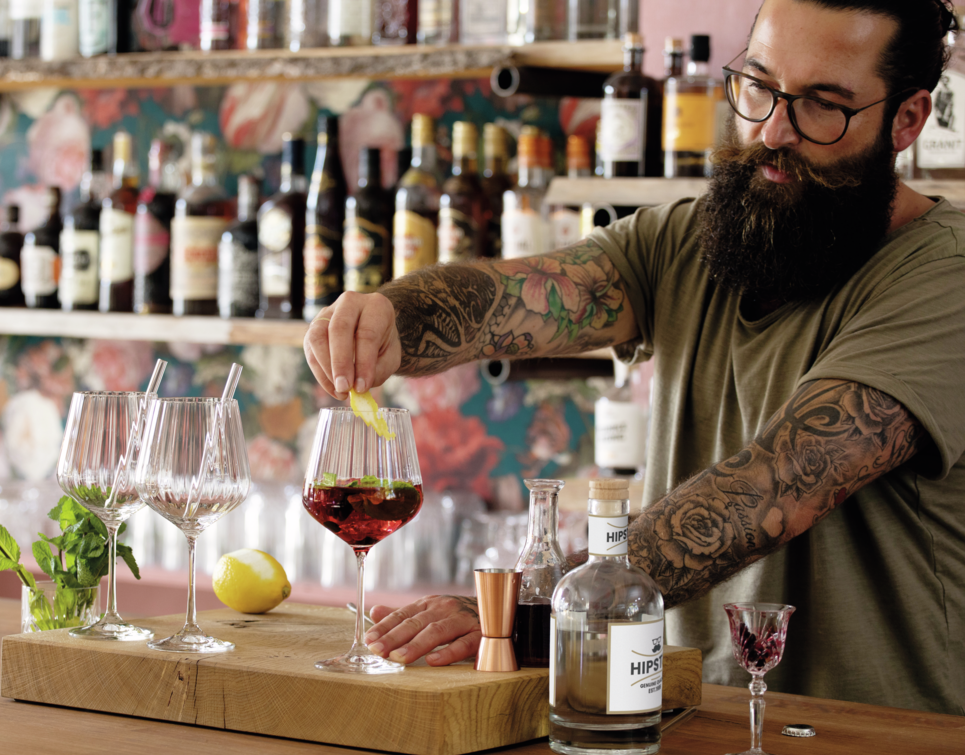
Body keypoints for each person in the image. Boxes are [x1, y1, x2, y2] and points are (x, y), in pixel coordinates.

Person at [303, 0, 965, 716]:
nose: (773, 130)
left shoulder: (944, 278)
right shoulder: (691, 240)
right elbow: (521, 296)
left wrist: (532, 608)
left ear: (907, 119)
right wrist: (393, 318)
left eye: (822, 107)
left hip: (885, 748)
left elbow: (773, 486)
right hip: (686, 721)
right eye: (759, 87)